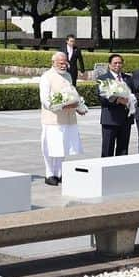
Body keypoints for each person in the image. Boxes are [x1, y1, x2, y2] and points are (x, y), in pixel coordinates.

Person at [39, 52, 85, 185]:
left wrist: (78, 107)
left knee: (62, 146)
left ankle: (58, 173)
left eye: (65, 62)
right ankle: (49, 174)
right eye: (60, 62)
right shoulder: (46, 77)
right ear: (53, 62)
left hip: (68, 118)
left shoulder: (68, 76)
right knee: (50, 146)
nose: (63, 65)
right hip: (53, 119)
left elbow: (72, 94)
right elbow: (45, 100)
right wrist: (60, 106)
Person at [99, 53, 134, 157]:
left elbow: (134, 93)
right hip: (110, 119)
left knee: (123, 150)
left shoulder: (128, 78)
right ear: (109, 65)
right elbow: (102, 98)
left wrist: (131, 100)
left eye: (120, 63)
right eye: (115, 63)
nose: (118, 65)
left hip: (125, 119)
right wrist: (118, 100)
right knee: (107, 149)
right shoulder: (104, 78)